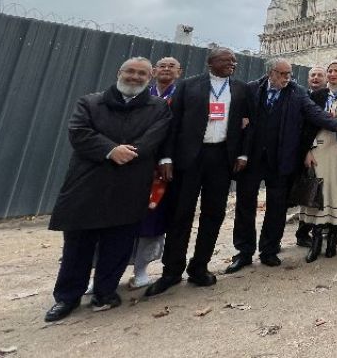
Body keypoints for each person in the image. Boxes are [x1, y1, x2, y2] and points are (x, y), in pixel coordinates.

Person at [45, 58, 171, 322]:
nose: (135, 77)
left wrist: (129, 152)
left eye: (141, 74)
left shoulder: (158, 108)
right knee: (79, 245)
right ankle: (67, 297)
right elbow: (79, 132)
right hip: (88, 183)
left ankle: (106, 292)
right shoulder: (90, 103)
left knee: (119, 242)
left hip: (130, 181)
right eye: (130, 71)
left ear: (149, 78)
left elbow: (154, 137)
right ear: (119, 73)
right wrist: (110, 150)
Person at [146, 48, 252, 297]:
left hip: (222, 157)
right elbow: (172, 123)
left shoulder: (240, 89)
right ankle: (171, 271)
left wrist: (242, 153)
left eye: (234, 61)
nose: (232, 64)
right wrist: (166, 156)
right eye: (227, 60)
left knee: (213, 213)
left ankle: (199, 267)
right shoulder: (188, 86)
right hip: (189, 157)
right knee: (180, 213)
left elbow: (248, 125)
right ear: (211, 62)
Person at [227, 58, 337, 271]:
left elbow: (314, 112)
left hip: (281, 159)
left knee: (277, 207)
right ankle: (244, 252)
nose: (287, 78)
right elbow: (239, 117)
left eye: (289, 74)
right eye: (283, 74)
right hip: (253, 158)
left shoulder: (296, 92)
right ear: (270, 73)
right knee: (245, 206)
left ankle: (269, 250)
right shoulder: (252, 89)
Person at [128, 56, 182, 290]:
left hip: (166, 166)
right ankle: (106, 269)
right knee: (120, 217)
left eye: (172, 66)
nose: (166, 69)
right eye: (162, 66)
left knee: (153, 219)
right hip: (135, 161)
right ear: (153, 72)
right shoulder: (138, 95)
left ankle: (141, 268)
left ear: (179, 73)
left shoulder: (182, 96)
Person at [298, 59, 337, 261]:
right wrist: (306, 150)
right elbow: (306, 125)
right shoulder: (317, 96)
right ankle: (316, 243)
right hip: (319, 149)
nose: (333, 74)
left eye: (336, 71)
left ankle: (333, 240)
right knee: (319, 192)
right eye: (330, 71)